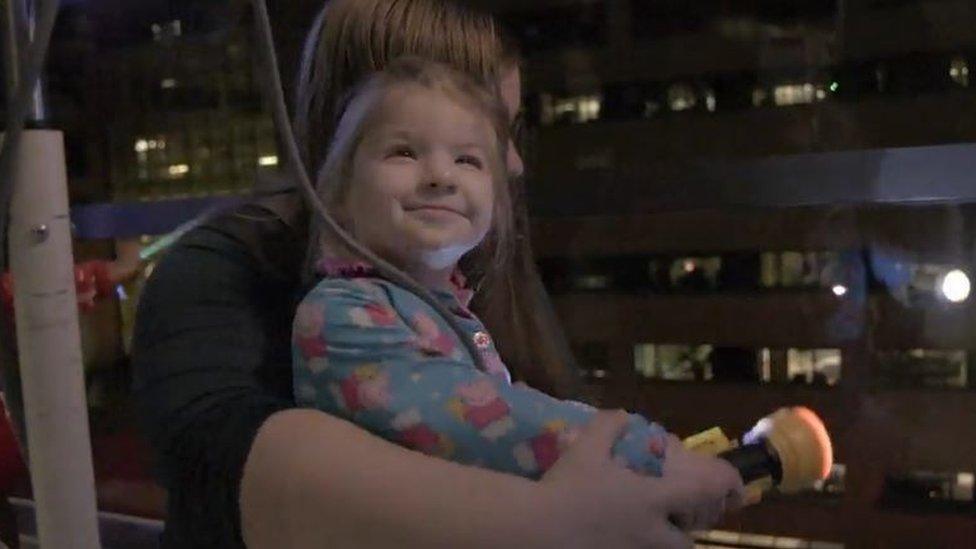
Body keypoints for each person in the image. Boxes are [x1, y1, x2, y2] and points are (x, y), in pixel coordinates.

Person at [131, 1, 742, 547]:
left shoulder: (454, 287)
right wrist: (613, 474)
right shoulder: (247, 276)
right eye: (497, 132)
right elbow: (227, 460)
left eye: (477, 151)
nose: (516, 164)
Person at [293, 56, 744, 491]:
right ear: (336, 196)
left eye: (467, 160)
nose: (440, 177)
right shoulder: (340, 314)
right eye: (404, 152)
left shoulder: (442, 311)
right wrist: (647, 454)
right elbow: (485, 422)